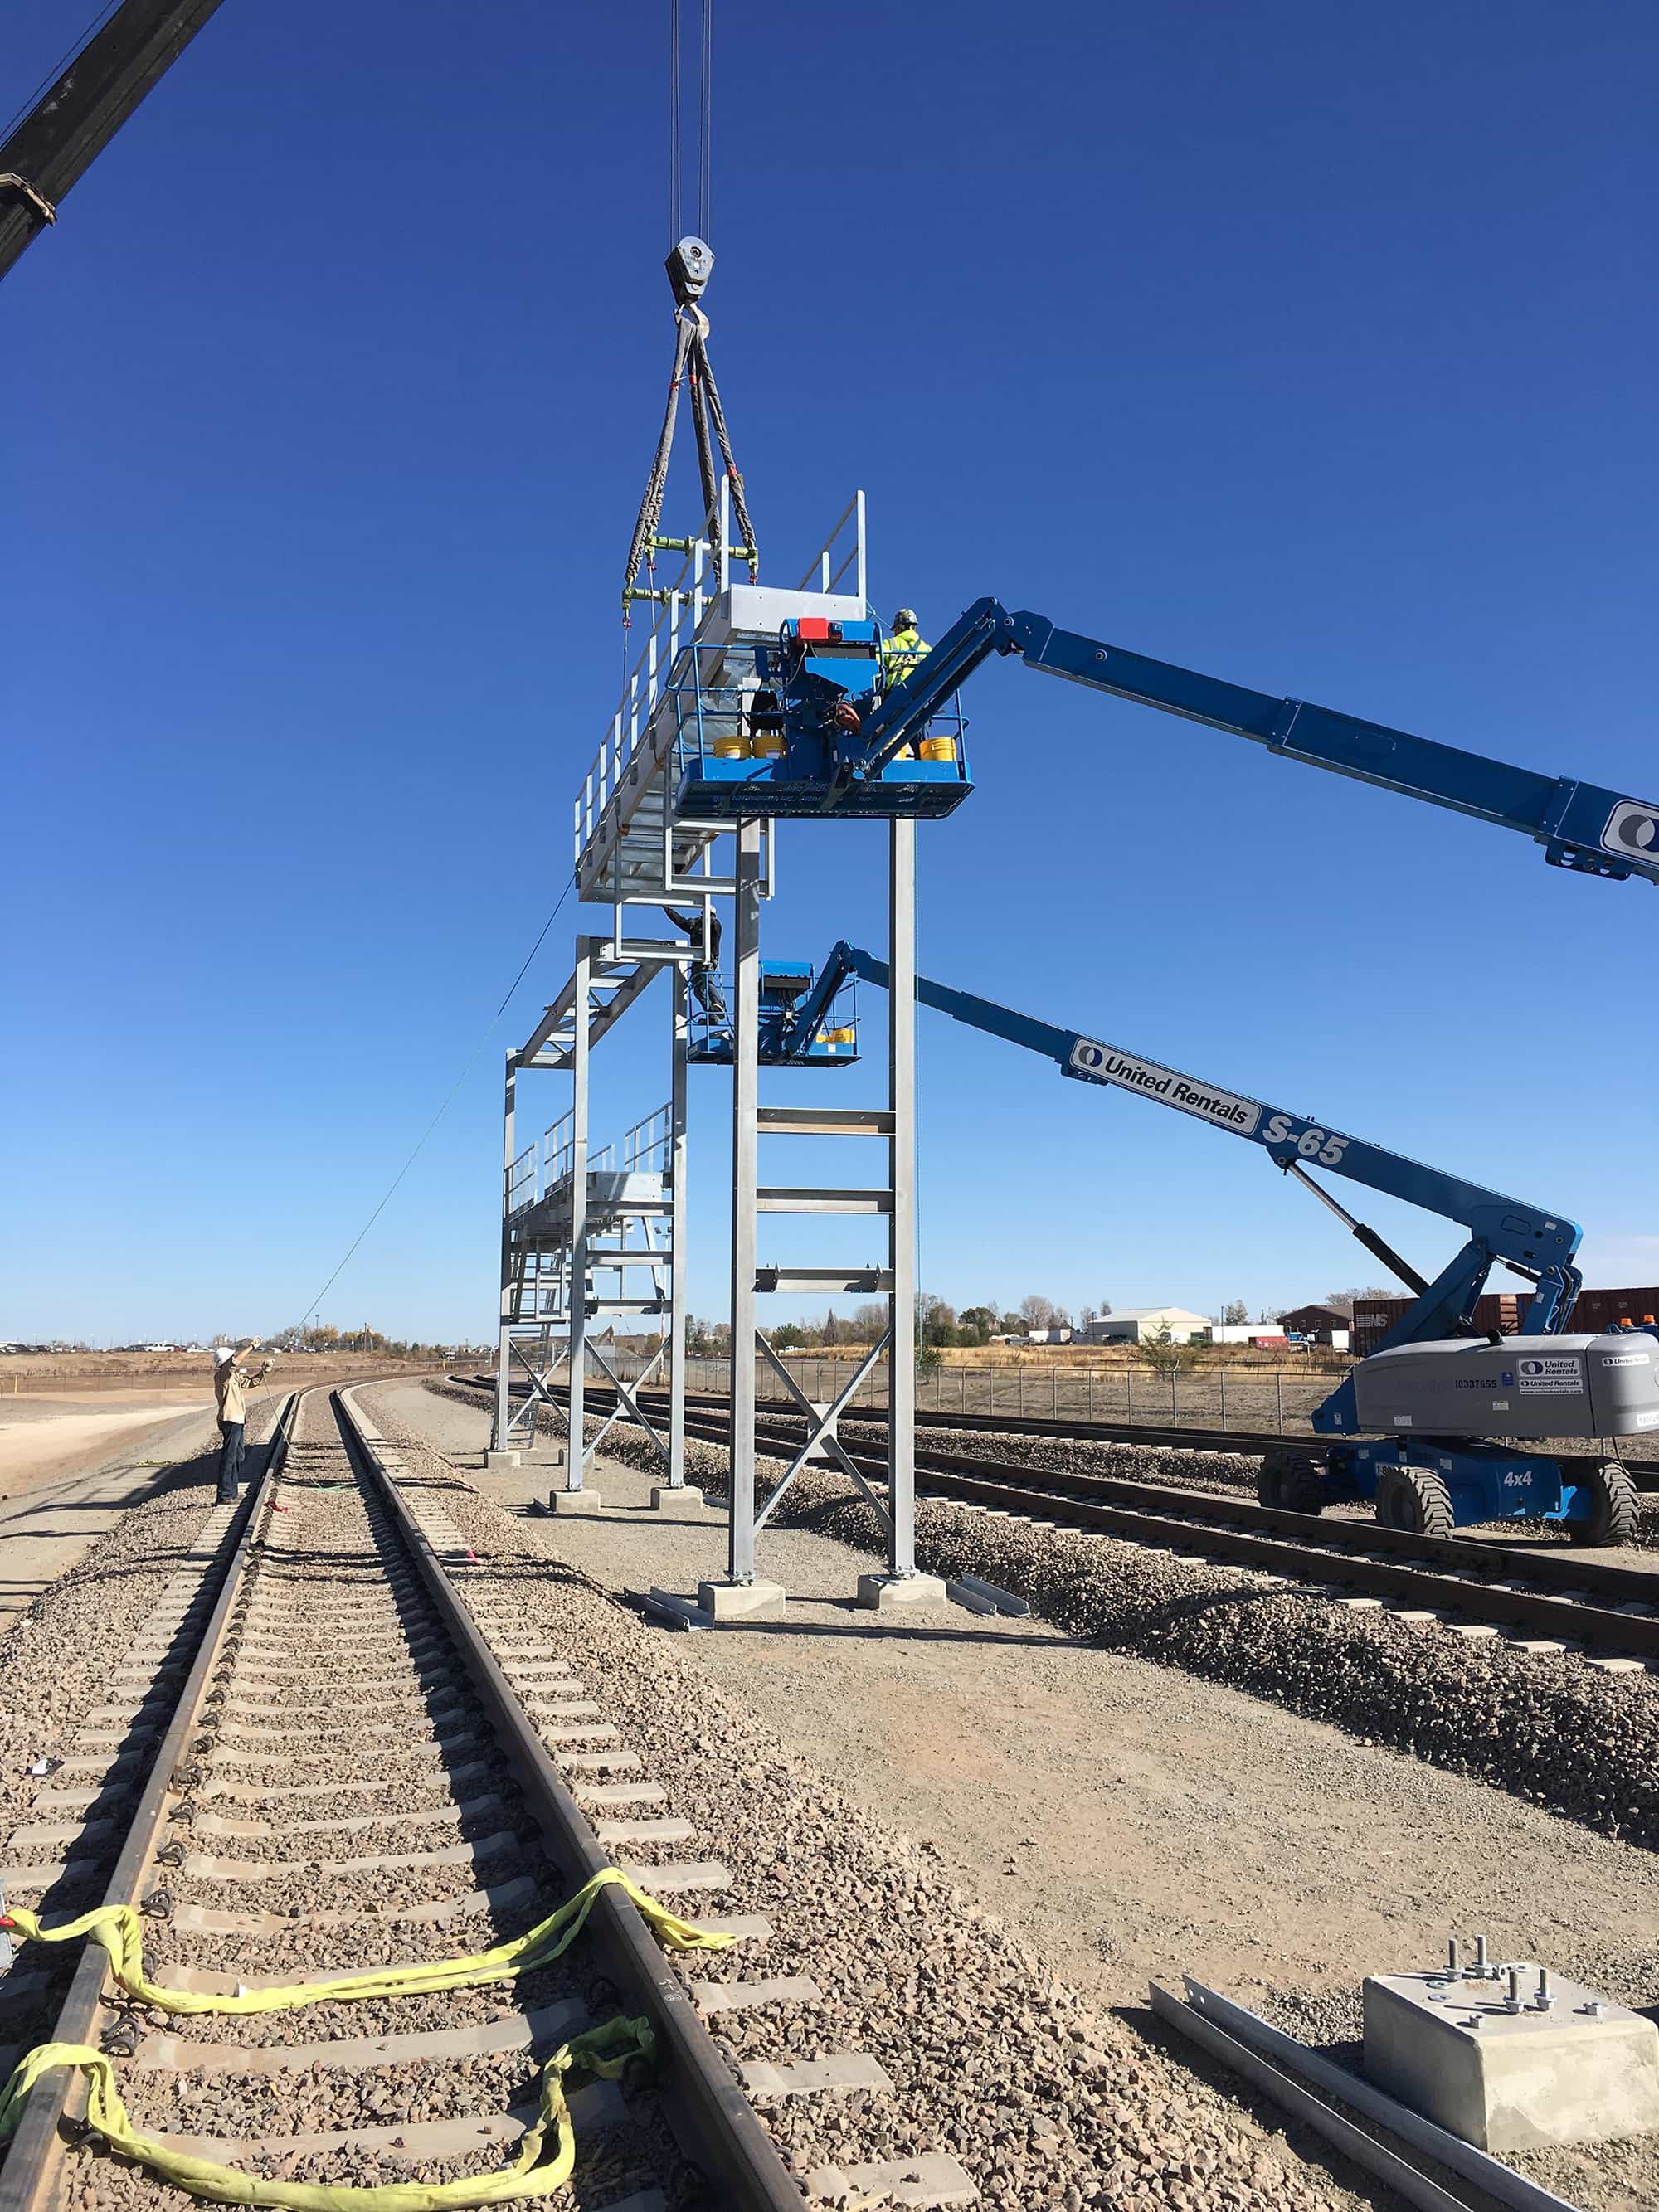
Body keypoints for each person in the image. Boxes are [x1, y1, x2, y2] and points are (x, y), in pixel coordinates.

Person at [212, 1341, 272, 1503]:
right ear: (225, 1362)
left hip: (238, 1420)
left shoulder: (234, 1376)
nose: (234, 1358)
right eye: (231, 1357)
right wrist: (252, 1346)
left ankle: (232, 1492)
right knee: (229, 1457)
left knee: (238, 1456)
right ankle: (224, 1495)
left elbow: (251, 1383)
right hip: (229, 1420)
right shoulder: (222, 1376)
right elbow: (235, 1362)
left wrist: (263, 1372)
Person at [662, 906, 728, 1027]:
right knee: (698, 991)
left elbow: (714, 925)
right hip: (697, 962)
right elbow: (680, 921)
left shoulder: (715, 925)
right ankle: (712, 1017)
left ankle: (719, 1005)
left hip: (708, 960)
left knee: (706, 982)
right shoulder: (696, 926)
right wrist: (667, 909)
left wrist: (704, 920)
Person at [880, 607, 932, 688]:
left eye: (895, 629)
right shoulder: (927, 648)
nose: (895, 632)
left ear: (900, 627)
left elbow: (874, 662)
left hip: (897, 690)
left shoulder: (890, 643)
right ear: (913, 627)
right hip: (922, 688)